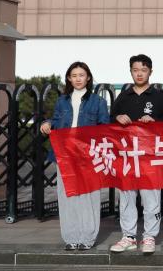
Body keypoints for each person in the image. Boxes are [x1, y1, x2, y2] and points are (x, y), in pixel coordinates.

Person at [41, 61, 111, 251]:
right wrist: (48, 123)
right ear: (69, 79)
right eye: (74, 76)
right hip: (64, 154)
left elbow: (104, 128)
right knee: (67, 196)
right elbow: (57, 121)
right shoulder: (62, 101)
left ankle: (87, 238)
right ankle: (71, 238)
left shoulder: (98, 102)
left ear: (88, 78)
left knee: (88, 197)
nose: (78, 79)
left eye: (81, 75)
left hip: (87, 155)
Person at [109, 54, 163, 255]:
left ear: (150, 71)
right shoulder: (124, 95)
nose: (139, 74)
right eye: (135, 70)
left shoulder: (158, 96)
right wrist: (118, 117)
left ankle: (149, 236)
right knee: (127, 197)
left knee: (151, 198)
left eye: (143, 70)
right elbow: (110, 120)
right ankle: (129, 236)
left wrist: (154, 122)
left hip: (150, 155)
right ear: (130, 72)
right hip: (127, 155)